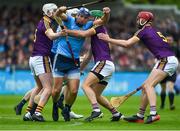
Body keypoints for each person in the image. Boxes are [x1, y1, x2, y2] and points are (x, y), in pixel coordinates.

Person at [98, 11, 179, 124]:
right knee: (146, 87)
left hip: (166, 60)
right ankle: (140, 116)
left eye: (138, 19)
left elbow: (127, 44)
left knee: (149, 86)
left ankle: (153, 114)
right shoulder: (155, 30)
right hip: (166, 60)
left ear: (144, 20)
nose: (137, 21)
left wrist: (108, 39)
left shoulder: (143, 31)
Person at [52, 6, 111, 121]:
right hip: (61, 58)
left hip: (74, 60)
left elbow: (103, 20)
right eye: (80, 16)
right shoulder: (69, 19)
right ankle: (55, 105)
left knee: (74, 90)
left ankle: (67, 108)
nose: (82, 19)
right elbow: (57, 15)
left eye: (85, 17)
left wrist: (107, 13)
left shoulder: (88, 25)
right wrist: (60, 10)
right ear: (77, 15)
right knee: (56, 90)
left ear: (87, 19)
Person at [63, 10, 123, 122]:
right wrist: (79, 70)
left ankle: (96, 110)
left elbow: (83, 34)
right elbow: (88, 57)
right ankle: (116, 113)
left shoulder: (98, 28)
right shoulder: (98, 35)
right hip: (108, 65)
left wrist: (67, 31)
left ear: (96, 19)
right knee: (96, 94)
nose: (89, 21)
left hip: (103, 63)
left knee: (85, 86)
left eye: (92, 18)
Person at [23, 3, 65, 122]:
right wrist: (60, 34)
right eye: (54, 11)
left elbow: (58, 18)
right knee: (48, 87)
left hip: (33, 58)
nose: (55, 12)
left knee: (39, 87)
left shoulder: (44, 21)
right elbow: (51, 36)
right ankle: (37, 112)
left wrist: (61, 12)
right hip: (41, 58)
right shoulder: (46, 22)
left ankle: (28, 114)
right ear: (48, 12)